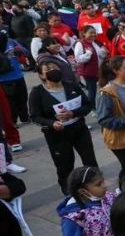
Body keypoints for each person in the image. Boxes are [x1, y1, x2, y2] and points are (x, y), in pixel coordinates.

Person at [29, 61, 98, 194]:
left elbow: (87, 105)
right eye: (48, 69)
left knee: (90, 160)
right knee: (65, 165)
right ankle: (69, 192)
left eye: (55, 67)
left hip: (79, 130)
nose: (53, 70)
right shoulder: (37, 93)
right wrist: (51, 123)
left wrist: (73, 113)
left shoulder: (71, 86)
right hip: (57, 136)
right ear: (41, 75)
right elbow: (35, 116)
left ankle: (95, 185)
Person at [74, 25, 109, 106]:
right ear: (84, 34)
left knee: (103, 89)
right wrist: (88, 54)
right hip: (88, 73)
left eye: (94, 33)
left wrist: (104, 52)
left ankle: (103, 105)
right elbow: (78, 59)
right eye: (91, 33)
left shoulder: (95, 42)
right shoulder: (80, 44)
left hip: (99, 71)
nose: (93, 35)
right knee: (92, 92)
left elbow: (100, 56)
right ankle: (91, 108)